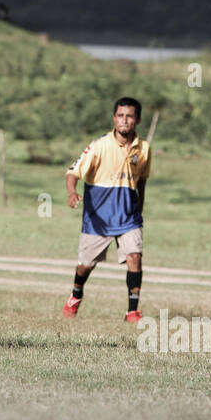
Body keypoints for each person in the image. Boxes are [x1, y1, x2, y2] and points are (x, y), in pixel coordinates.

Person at [62, 97, 151, 322]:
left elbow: (141, 181)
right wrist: (72, 192)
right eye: (120, 115)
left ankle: (132, 311)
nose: (124, 120)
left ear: (137, 119)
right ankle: (76, 294)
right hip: (98, 218)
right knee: (85, 266)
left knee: (134, 257)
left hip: (129, 217)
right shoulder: (99, 146)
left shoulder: (144, 149)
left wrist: (139, 207)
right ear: (114, 118)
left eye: (129, 116)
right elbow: (73, 172)